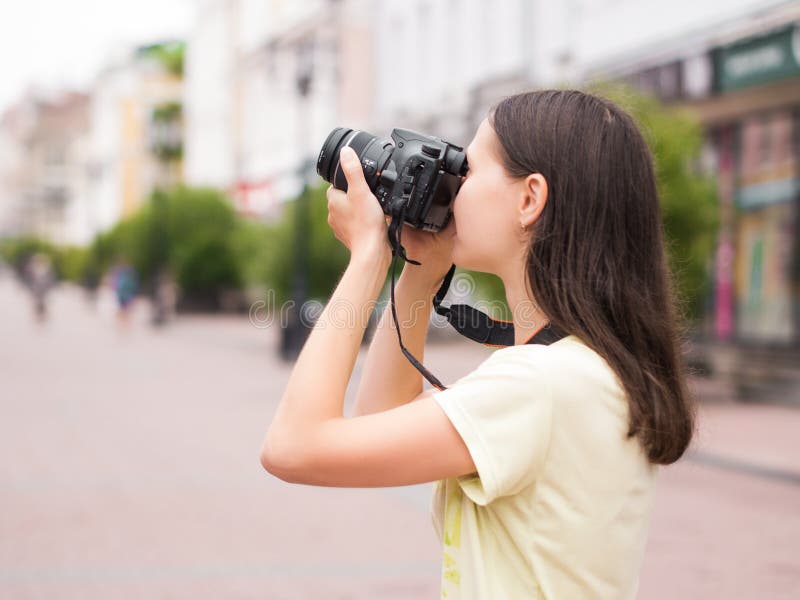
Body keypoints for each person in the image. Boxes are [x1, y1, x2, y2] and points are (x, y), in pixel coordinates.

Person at [260, 90, 694, 599]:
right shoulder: (578, 368)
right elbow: (379, 416)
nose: (452, 187)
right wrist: (419, 276)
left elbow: (292, 449)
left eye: (468, 168)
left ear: (530, 199)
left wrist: (367, 258)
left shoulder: (539, 385)